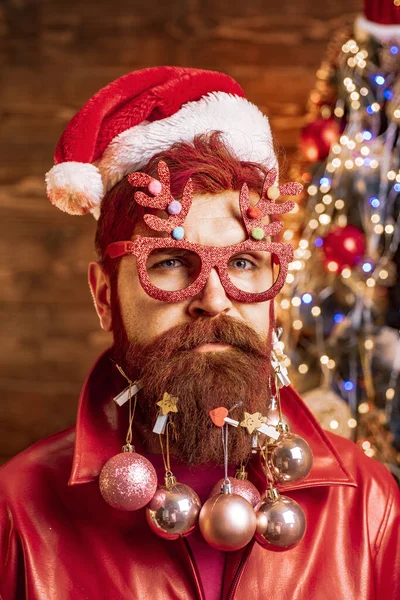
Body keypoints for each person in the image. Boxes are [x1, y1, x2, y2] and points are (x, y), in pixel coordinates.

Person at [0, 66, 399, 600]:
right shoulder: (19, 509)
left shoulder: (368, 503)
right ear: (104, 297)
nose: (214, 299)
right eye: (168, 263)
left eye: (243, 263)